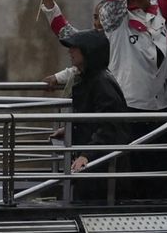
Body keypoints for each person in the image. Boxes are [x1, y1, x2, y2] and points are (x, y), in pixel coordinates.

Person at [64, 29, 130, 202]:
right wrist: (71, 129)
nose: (70, 51)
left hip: (100, 169)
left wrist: (87, 155)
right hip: (94, 165)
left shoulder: (101, 82)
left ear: (88, 51)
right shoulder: (90, 79)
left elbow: (110, 125)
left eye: (75, 47)